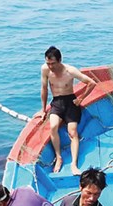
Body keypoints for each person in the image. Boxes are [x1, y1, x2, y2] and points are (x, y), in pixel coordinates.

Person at [40, 46, 97, 175]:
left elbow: (91, 83)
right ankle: (58, 157)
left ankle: (74, 164)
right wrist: (43, 110)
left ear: (60, 60)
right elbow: (44, 89)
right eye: (48, 63)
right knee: (53, 127)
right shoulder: (45, 70)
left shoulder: (70, 71)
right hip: (56, 103)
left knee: (73, 132)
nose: (50, 66)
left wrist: (81, 99)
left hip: (71, 102)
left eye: (53, 63)